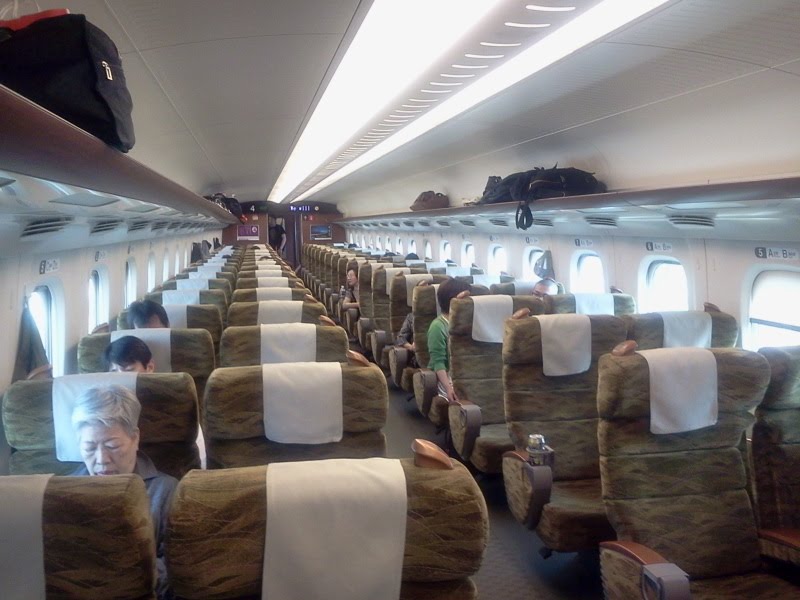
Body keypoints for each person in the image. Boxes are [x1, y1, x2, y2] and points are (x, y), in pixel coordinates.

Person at [71, 385, 177, 599]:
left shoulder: (166, 491)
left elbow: (176, 568)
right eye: (90, 448)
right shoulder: (63, 491)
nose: (101, 459)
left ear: (135, 438)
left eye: (112, 446)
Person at [427, 277, 470, 400]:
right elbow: (438, 362)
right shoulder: (438, 326)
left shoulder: (468, 322)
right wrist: (448, 388)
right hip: (446, 377)